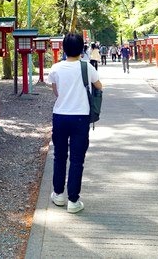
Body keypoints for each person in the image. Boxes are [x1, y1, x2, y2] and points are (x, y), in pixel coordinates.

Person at [44, 33, 103, 214]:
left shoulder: (56, 68)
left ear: (64, 48)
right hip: (80, 117)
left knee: (60, 156)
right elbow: (100, 86)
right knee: (77, 159)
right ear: (82, 49)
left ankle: (58, 194)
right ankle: (73, 200)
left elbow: (55, 91)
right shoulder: (87, 67)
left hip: (60, 116)